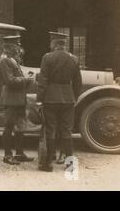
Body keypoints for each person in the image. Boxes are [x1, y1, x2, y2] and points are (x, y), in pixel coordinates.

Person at [37, 32, 82, 172]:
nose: (50, 45)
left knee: (51, 130)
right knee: (66, 131)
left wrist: (39, 99)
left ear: (55, 44)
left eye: (51, 42)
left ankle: (48, 164)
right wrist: (74, 97)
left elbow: (43, 80)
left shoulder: (47, 57)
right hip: (68, 99)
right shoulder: (74, 59)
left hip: (50, 98)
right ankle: (70, 165)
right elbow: (78, 82)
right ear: (64, 44)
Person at [0, 35, 34, 165]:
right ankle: (7, 156)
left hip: (18, 98)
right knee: (9, 127)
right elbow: (10, 81)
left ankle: (19, 153)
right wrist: (27, 80)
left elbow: (15, 78)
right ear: (11, 47)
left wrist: (26, 79)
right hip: (11, 98)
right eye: (17, 45)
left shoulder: (12, 60)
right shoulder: (4, 60)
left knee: (20, 126)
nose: (19, 48)